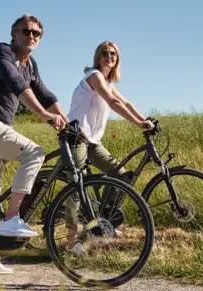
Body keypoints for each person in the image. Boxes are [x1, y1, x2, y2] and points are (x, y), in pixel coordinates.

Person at [0, 14, 69, 273]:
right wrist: (44, 116)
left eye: (36, 34)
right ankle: (11, 219)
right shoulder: (2, 53)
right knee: (34, 152)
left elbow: (45, 94)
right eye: (26, 31)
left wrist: (67, 120)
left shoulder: (30, 64)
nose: (31, 36)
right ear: (14, 34)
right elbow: (16, 84)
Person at [64, 41, 154, 255]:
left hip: (92, 141)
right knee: (76, 187)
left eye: (113, 54)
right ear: (98, 57)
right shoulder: (94, 76)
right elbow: (113, 103)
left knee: (121, 176)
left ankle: (101, 223)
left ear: (117, 59)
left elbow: (126, 102)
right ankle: (70, 242)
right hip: (76, 137)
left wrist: (146, 120)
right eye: (105, 53)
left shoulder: (107, 82)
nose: (109, 57)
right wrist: (138, 124)